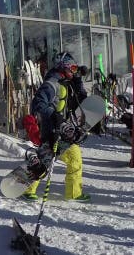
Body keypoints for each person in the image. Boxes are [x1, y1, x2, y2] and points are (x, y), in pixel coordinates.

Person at [23, 52, 89, 201]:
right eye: (72, 67)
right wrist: (54, 116)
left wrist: (78, 78)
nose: (74, 70)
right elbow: (38, 104)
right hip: (51, 130)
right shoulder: (52, 83)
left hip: (60, 129)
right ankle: (73, 193)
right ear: (63, 67)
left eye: (75, 68)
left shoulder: (65, 82)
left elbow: (80, 97)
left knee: (48, 158)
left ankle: (28, 188)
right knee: (73, 157)